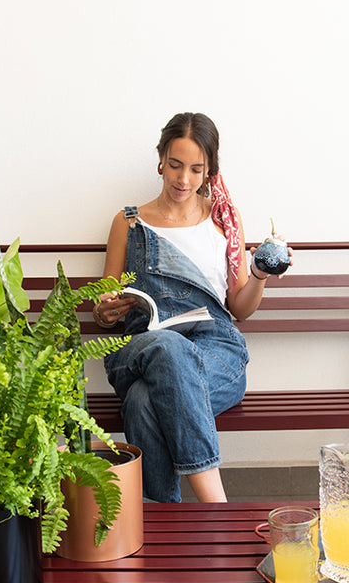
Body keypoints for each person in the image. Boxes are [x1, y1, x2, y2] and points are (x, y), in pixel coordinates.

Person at [93, 112, 289, 503]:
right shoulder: (128, 223)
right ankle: (217, 509)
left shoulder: (223, 224)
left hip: (216, 353)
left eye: (196, 169)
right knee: (168, 347)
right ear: (161, 160)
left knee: (143, 401)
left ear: (209, 170)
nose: (183, 179)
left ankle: (161, 519)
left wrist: (259, 273)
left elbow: (241, 308)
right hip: (145, 347)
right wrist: (105, 310)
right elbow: (104, 305)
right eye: (176, 165)